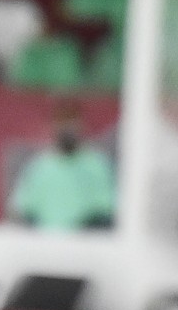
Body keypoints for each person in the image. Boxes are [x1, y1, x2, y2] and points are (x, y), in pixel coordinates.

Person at [7, 97, 116, 230]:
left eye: (72, 121)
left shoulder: (97, 165)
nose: (67, 128)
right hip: (44, 239)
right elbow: (21, 210)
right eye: (63, 121)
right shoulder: (38, 166)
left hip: (86, 240)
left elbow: (107, 210)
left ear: (82, 125)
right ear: (53, 125)